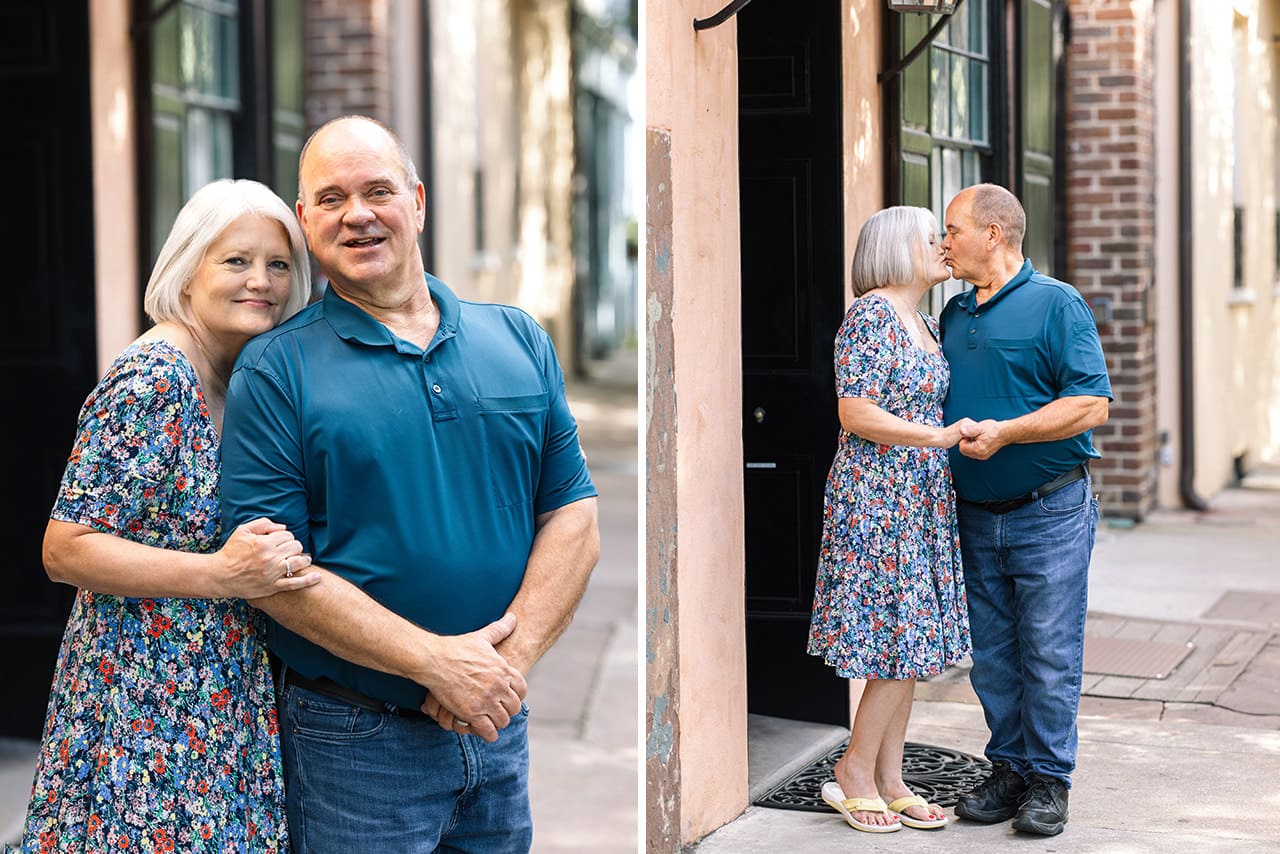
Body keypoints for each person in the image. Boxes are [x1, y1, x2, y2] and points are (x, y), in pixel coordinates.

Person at [218, 115, 600, 852]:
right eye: (329, 199)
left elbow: (574, 513)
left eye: (377, 191)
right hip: (355, 742)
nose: (356, 214)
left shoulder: (518, 337)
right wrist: (437, 664)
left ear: (417, 202)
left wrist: (496, 673)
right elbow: (270, 572)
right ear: (305, 221)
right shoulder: (274, 371)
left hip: (496, 724)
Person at [20, 179, 317, 853]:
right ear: (189, 268)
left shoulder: (232, 376)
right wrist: (223, 574)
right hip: (141, 704)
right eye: (236, 261)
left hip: (209, 699)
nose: (261, 282)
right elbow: (64, 548)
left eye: (277, 264)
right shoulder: (155, 379)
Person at [939, 183, 1112, 837]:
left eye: (952, 229)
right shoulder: (953, 314)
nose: (943, 242)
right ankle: (1008, 768)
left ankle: (1048, 782)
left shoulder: (1056, 304)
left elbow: (1092, 404)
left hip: (1050, 512)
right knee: (993, 656)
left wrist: (1007, 432)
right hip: (975, 514)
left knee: (1048, 652)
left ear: (993, 234)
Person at [808, 206, 974, 834]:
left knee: (911, 646)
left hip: (921, 498)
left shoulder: (926, 322)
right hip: (879, 497)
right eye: (929, 237)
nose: (940, 246)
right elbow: (855, 413)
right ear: (895, 249)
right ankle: (853, 772)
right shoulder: (871, 315)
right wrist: (935, 437)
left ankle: (890, 776)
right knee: (895, 647)